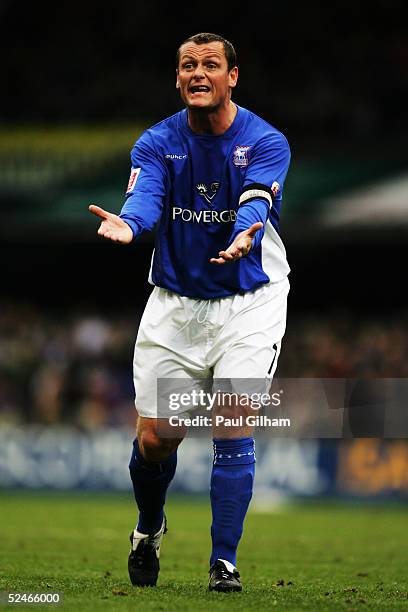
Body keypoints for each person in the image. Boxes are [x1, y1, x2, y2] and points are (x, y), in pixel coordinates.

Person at [89, 32, 291, 593]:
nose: (198, 73)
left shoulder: (266, 140)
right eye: (187, 65)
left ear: (232, 77)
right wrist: (129, 224)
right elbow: (146, 195)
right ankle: (149, 528)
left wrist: (247, 231)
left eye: (210, 64)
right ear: (177, 79)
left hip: (250, 299)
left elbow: (257, 195)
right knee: (158, 437)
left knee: (233, 420)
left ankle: (222, 563)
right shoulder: (157, 142)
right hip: (177, 305)